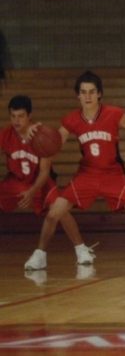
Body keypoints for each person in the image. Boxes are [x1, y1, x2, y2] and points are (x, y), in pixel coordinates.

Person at [24, 71, 125, 270]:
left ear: (99, 94)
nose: (87, 96)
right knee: (53, 213)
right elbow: (53, 144)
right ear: (78, 95)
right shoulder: (72, 119)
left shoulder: (113, 113)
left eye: (92, 92)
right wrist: (36, 133)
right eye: (83, 92)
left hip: (113, 174)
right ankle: (42, 254)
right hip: (87, 175)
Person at [1, 96, 93, 267]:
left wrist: (32, 192)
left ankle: (81, 250)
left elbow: (44, 172)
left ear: (29, 116)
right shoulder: (5, 134)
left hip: (40, 182)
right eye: (13, 116)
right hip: (16, 180)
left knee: (60, 209)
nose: (16, 120)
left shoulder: (42, 135)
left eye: (20, 116)